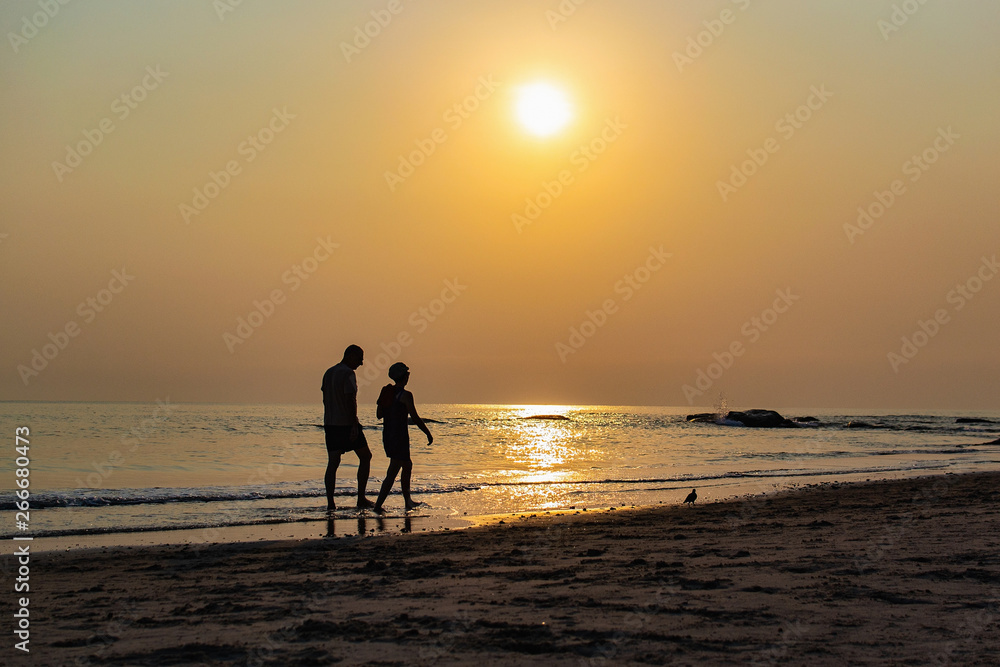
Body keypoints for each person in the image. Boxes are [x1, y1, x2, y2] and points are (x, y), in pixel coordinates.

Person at [373, 362, 432, 513]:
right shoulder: (405, 395)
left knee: (407, 465)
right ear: (404, 376)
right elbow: (415, 417)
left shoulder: (386, 392)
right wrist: (427, 432)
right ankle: (378, 505)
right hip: (399, 437)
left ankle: (407, 501)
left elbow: (379, 415)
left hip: (388, 435)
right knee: (393, 471)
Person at [321, 344, 373, 511]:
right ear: (350, 356)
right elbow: (351, 400)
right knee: (366, 456)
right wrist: (354, 424)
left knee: (333, 463)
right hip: (345, 423)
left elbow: (325, 398)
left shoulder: (328, 373)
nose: (361, 363)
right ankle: (361, 498)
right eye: (359, 359)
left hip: (330, 424)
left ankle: (331, 503)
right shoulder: (348, 373)